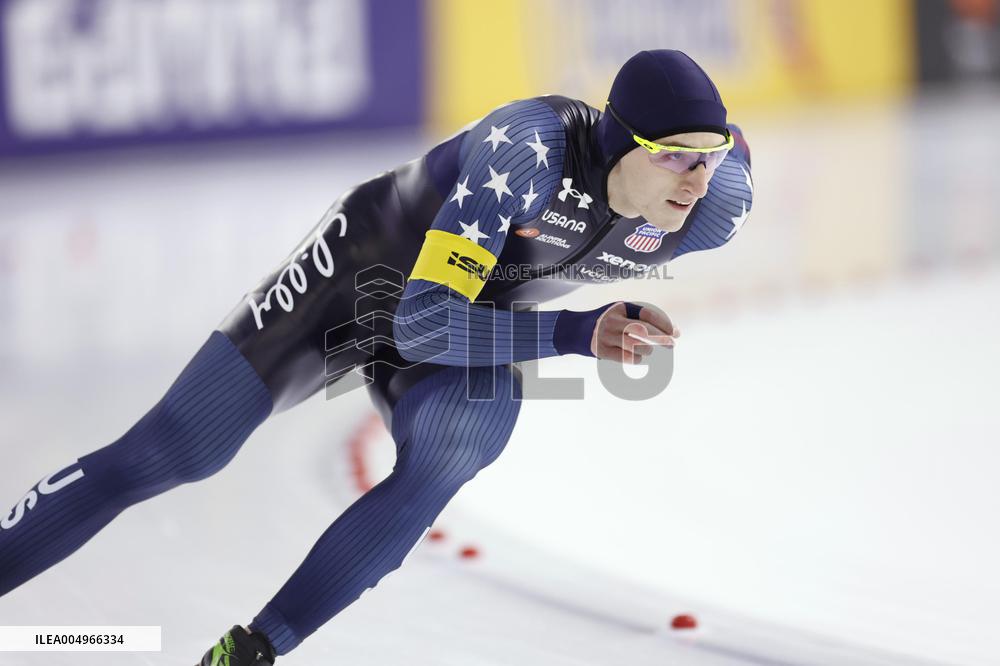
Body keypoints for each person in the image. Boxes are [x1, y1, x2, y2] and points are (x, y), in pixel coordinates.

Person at [0, 49, 753, 665]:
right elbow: (423, 324)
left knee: (466, 436)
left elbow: (726, 156)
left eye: (710, 158)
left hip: (470, 315)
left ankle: (249, 653)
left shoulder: (716, 205)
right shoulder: (525, 153)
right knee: (174, 450)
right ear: (624, 145)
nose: (698, 182)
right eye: (676, 159)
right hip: (354, 280)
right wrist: (571, 334)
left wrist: (567, 328)